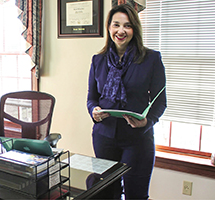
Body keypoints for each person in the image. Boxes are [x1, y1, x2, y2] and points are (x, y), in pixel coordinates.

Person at [87, 4, 167, 200]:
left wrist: (147, 121)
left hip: (137, 138)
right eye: (116, 25)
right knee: (106, 193)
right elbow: (91, 97)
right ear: (109, 28)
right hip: (104, 136)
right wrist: (94, 110)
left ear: (135, 29)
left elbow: (160, 102)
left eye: (127, 26)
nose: (121, 31)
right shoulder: (98, 60)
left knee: (136, 195)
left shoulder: (151, 59)